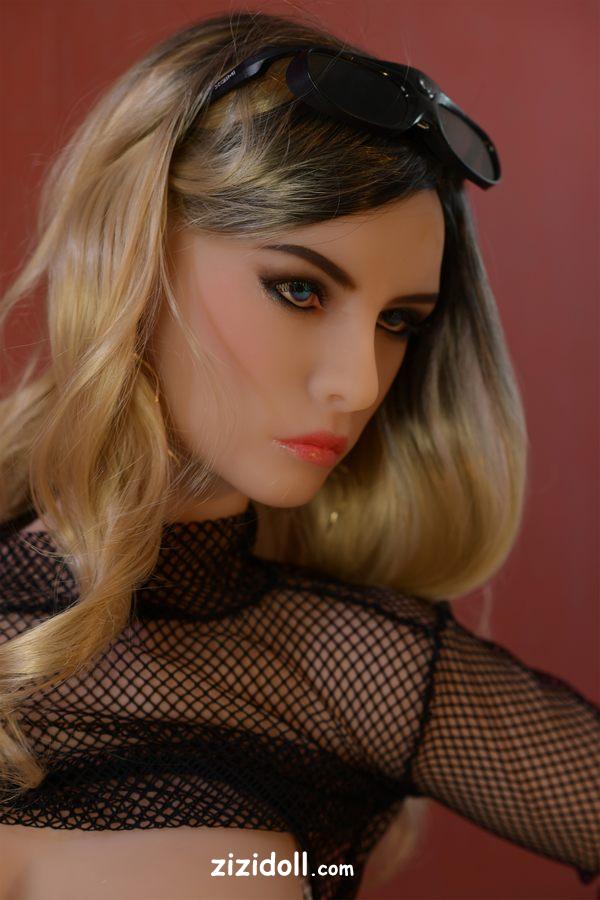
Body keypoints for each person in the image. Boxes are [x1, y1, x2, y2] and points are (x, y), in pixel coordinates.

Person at [0, 10, 598, 900]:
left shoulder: (354, 672)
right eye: (300, 289)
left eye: (399, 323)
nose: (359, 383)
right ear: (136, 247)